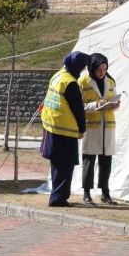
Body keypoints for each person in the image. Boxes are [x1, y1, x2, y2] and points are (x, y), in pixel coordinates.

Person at [40, 51, 90, 207]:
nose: (82, 71)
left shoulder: (58, 76)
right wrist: (82, 128)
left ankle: (56, 195)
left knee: (56, 164)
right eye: (82, 68)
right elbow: (78, 109)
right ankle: (59, 199)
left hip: (51, 125)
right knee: (65, 166)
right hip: (65, 130)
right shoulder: (71, 83)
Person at [80, 53, 120, 205]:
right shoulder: (83, 82)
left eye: (104, 69)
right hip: (91, 127)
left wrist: (115, 105)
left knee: (106, 162)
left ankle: (105, 192)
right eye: (99, 69)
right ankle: (86, 193)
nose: (102, 72)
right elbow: (79, 106)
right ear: (92, 68)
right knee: (89, 161)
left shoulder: (110, 81)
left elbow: (114, 99)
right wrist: (94, 105)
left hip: (108, 127)